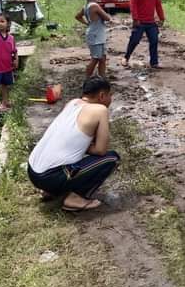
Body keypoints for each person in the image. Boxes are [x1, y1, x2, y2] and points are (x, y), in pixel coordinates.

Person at [27, 76, 120, 212]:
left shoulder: (73, 102)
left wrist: (82, 146)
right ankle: (75, 198)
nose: (110, 99)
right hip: (49, 176)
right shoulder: (100, 110)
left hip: (32, 171)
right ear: (101, 95)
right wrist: (87, 147)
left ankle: (51, 190)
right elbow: (101, 150)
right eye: (109, 95)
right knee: (112, 158)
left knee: (71, 157)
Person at [121, 0, 165, 68]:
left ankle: (154, 63)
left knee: (154, 41)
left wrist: (161, 18)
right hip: (140, 22)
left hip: (151, 22)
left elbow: (158, 5)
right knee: (135, 40)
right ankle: (126, 57)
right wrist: (135, 19)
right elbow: (133, 6)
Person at [75, 0, 111, 78]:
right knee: (95, 58)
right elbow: (107, 18)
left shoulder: (86, 6)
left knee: (102, 58)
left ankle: (102, 78)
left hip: (96, 34)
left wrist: (87, 23)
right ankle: (87, 78)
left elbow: (78, 16)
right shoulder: (95, 6)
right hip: (96, 35)